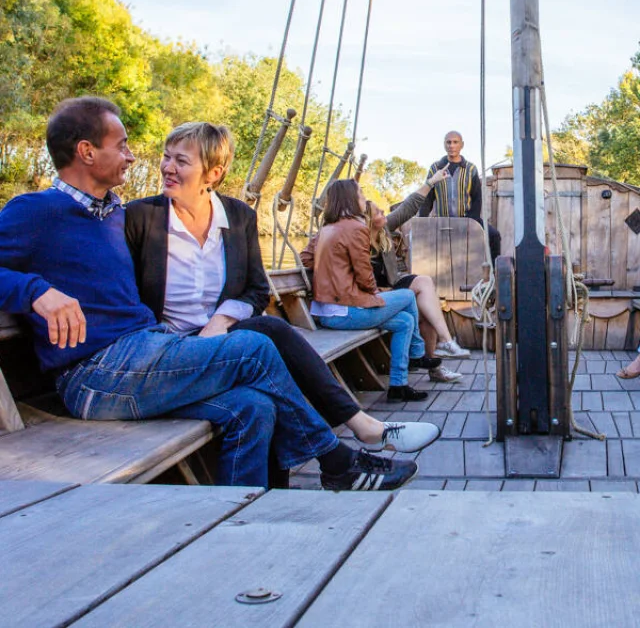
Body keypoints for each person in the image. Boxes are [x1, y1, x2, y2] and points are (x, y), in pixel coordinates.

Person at [0, 96, 419, 492]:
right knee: (254, 348)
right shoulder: (37, 211)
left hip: (146, 350)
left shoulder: (112, 214)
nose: (132, 156)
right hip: (96, 373)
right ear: (87, 152)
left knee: (254, 407)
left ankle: (237, 519)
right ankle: (337, 462)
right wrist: (35, 291)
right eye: (122, 146)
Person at [124, 121, 439, 455]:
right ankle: (356, 434)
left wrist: (221, 320)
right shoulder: (139, 217)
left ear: (213, 173)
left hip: (221, 336)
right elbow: (124, 295)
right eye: (166, 157)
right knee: (405, 296)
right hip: (169, 348)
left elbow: (257, 289)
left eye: (181, 161)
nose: (167, 168)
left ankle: (351, 441)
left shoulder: (239, 216)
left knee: (262, 391)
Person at [302, 179, 439, 403]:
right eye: (360, 193)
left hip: (325, 312)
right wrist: (374, 293)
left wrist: (332, 267)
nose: (364, 198)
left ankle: (398, 386)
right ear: (350, 198)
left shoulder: (326, 229)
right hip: (346, 311)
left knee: (404, 321)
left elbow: (306, 258)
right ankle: (417, 353)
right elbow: (366, 278)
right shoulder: (356, 228)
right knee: (407, 295)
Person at [365, 193, 470, 384]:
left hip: (391, 286)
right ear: (368, 220)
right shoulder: (357, 240)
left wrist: (431, 182)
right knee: (423, 305)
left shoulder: (384, 229)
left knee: (425, 290)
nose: (383, 212)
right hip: (375, 295)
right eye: (378, 212)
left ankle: (441, 353)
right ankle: (440, 354)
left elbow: (408, 207)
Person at [418, 130, 501, 263]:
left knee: (494, 236)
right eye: (448, 142)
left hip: (467, 218)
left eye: (455, 142)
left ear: (461, 145)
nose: (451, 145)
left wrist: (471, 222)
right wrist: (421, 221)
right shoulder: (435, 168)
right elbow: (428, 198)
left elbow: (477, 198)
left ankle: (494, 274)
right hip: (442, 220)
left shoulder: (471, 169)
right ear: (444, 145)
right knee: (420, 239)